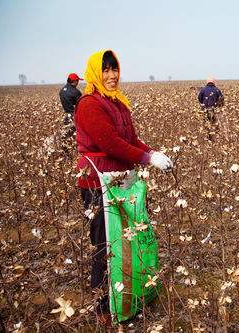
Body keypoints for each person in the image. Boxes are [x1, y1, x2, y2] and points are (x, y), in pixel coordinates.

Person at [74, 50, 173, 325]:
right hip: (97, 183)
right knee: (105, 244)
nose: (111, 76)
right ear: (95, 72)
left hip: (120, 181)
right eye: (105, 70)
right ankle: (104, 307)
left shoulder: (118, 104)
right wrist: (145, 158)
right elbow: (110, 143)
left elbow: (130, 139)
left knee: (127, 239)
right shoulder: (89, 105)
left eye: (114, 69)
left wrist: (152, 153)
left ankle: (128, 295)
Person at [59, 73, 83, 154]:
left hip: (66, 116)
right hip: (74, 116)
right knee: (77, 136)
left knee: (66, 136)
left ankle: (65, 153)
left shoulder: (61, 91)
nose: (78, 83)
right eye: (78, 81)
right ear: (75, 81)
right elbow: (81, 106)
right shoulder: (76, 92)